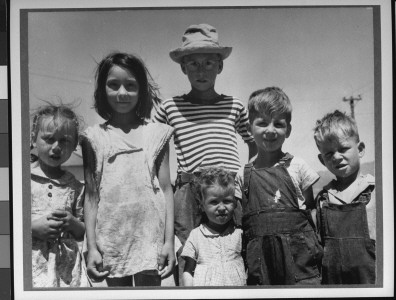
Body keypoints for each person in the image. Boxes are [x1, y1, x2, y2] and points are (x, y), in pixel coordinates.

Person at [153, 23, 257, 253]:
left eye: (208, 63)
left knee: (238, 248)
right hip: (190, 189)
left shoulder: (234, 105)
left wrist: (245, 178)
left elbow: (253, 142)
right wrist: (167, 184)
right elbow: (154, 148)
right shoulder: (170, 108)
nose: (201, 71)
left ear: (219, 66)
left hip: (229, 189)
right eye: (193, 63)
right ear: (183, 68)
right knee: (188, 252)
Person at [81, 52, 175, 287]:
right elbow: (91, 196)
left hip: (149, 237)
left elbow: (166, 189)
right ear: (102, 90)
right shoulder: (93, 138)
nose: (122, 93)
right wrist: (91, 247)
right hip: (112, 239)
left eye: (130, 86)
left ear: (141, 90)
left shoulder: (158, 133)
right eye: (114, 85)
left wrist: (169, 243)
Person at [235, 86, 323, 285]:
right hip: (261, 261)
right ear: (249, 128)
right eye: (262, 123)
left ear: (288, 130)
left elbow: (310, 211)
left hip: (299, 259)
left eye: (278, 124)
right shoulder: (242, 174)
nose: (270, 130)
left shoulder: (298, 166)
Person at [313, 110, 376, 284]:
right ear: (321, 160)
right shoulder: (323, 198)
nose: (337, 157)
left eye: (343, 149)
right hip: (334, 284)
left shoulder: (376, 191)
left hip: (370, 282)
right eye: (329, 153)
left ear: (360, 149)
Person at [30, 104, 86, 287]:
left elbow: (82, 231)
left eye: (65, 141)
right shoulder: (20, 180)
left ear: (75, 144)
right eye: (49, 139)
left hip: (66, 273)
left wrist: (72, 222)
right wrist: (30, 228)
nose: (56, 147)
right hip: (31, 267)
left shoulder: (76, 186)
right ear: (33, 138)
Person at [181, 167, 246, 286]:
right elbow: (188, 271)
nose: (221, 208)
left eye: (227, 201)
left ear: (235, 203)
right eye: (214, 202)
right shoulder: (196, 236)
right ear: (202, 205)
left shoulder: (240, 234)